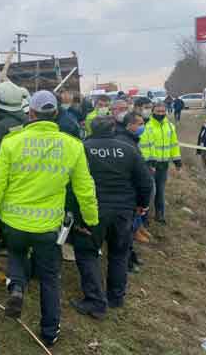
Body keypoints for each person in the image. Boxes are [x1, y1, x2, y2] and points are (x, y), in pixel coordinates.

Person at [0, 90, 99, 347]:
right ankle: (49, 331)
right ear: (56, 113)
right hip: (48, 227)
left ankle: (16, 288)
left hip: (13, 223)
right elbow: (85, 189)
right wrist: (91, 220)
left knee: (16, 255)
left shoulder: (11, 142)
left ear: (31, 114)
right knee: (49, 277)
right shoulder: (73, 146)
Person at [71, 116, 152, 319]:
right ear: (113, 128)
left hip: (92, 210)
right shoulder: (128, 148)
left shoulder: (82, 148)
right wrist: (142, 204)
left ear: (91, 129)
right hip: (123, 210)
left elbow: (70, 181)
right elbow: (145, 181)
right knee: (119, 253)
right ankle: (115, 297)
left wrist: (73, 210)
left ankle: (95, 302)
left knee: (87, 252)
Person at [115, 112, 152, 272]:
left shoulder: (128, 140)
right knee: (126, 233)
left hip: (125, 195)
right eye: (140, 124)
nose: (142, 127)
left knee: (127, 232)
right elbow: (141, 179)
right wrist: (142, 202)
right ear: (130, 125)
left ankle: (131, 258)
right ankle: (128, 262)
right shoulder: (127, 143)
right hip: (127, 196)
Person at [139, 102, 182, 224]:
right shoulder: (147, 126)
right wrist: (150, 162)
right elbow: (145, 146)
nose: (161, 113)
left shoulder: (170, 126)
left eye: (163, 111)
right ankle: (144, 219)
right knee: (150, 192)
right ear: (153, 112)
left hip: (164, 165)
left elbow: (174, 144)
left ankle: (160, 215)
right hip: (150, 165)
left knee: (161, 192)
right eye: (158, 111)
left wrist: (177, 161)